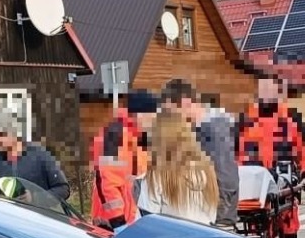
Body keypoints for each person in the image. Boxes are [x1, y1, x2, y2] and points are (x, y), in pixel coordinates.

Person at [239, 78, 305, 238]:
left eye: (270, 90)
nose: (266, 94)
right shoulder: (246, 121)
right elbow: (237, 157)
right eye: (263, 90)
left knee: (289, 235)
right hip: (256, 192)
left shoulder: (291, 119)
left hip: (285, 190)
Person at [165, 80, 238, 227]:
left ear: (185, 103)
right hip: (207, 216)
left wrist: (219, 217)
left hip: (216, 219)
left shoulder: (211, 130)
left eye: (174, 112)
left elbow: (226, 177)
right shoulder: (201, 129)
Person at [137, 108, 219, 224]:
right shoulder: (206, 169)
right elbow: (212, 214)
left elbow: (146, 217)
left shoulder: (156, 174)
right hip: (205, 236)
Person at [90, 91, 154, 229]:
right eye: (151, 116)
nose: (153, 120)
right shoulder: (114, 136)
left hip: (131, 218)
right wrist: (118, 222)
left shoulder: (140, 137)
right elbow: (107, 183)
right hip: (110, 222)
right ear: (139, 113)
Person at [0, 109, 70, 202]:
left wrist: (35, 198)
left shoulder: (42, 156)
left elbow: (63, 189)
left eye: (1, 134)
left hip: (37, 215)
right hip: (5, 215)